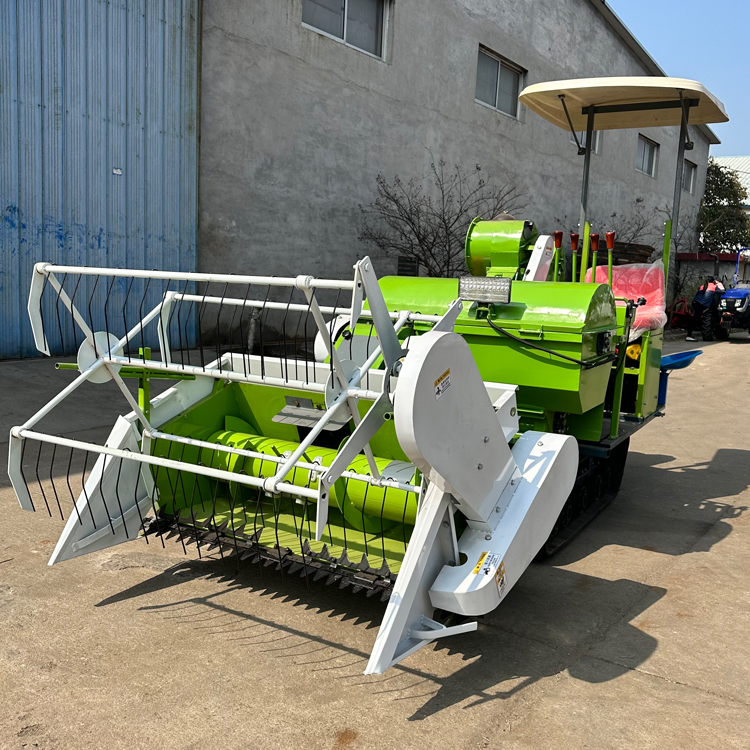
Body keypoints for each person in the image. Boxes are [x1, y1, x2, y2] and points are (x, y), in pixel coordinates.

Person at [686, 276, 725, 341]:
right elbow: (723, 291)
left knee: (695, 318)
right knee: (695, 319)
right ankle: (689, 336)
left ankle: (690, 334)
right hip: (701, 305)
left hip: (695, 302)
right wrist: (718, 283)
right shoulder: (714, 287)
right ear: (713, 281)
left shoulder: (703, 286)